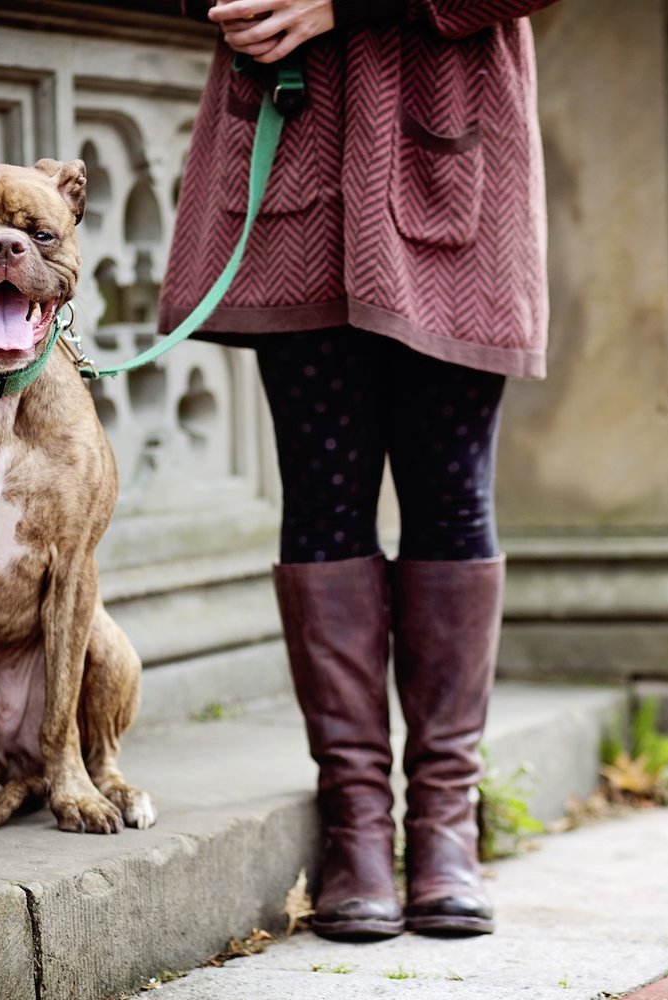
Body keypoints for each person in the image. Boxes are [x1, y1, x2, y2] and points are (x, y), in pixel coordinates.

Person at [163, 0, 556, 940]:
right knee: (323, 496)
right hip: (293, 155)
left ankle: (445, 827)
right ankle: (356, 829)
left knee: (451, 498)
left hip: (450, 158)